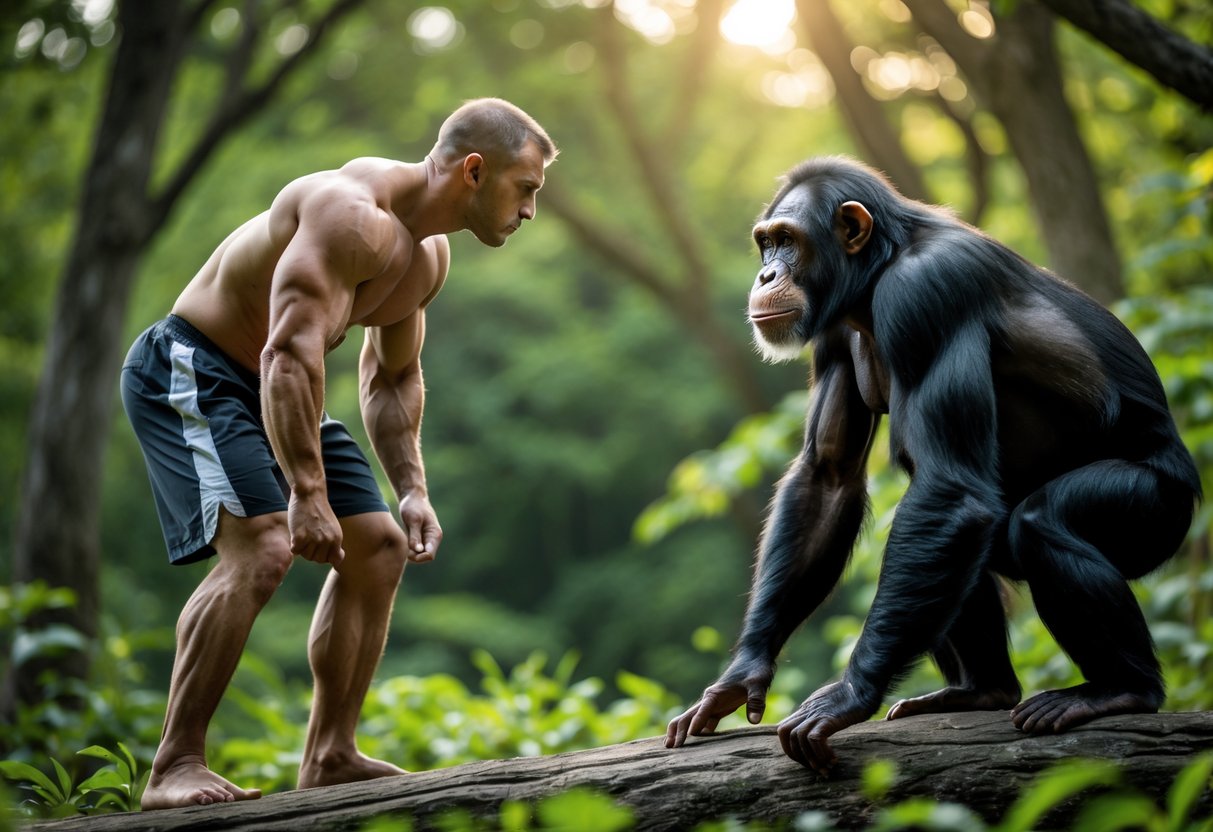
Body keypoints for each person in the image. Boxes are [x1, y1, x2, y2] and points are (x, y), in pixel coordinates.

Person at [120, 98, 557, 811]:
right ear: (475, 171)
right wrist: (306, 493)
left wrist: (411, 487)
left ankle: (330, 754)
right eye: (526, 189)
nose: (530, 210)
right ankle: (175, 764)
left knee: (378, 546)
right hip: (195, 366)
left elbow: (391, 377)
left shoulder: (427, 256)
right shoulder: (349, 214)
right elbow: (286, 352)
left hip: (281, 385)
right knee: (264, 548)